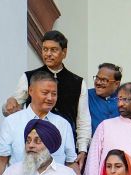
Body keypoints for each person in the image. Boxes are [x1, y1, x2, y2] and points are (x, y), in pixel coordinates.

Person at [7, 30, 90, 162]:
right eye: (45, 49)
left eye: (53, 50)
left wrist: (82, 149)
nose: (48, 54)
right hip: (33, 144)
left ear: (64, 52)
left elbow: (83, 119)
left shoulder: (78, 82)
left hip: (64, 144)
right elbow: (11, 109)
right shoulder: (28, 77)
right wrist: (9, 102)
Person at [0, 71, 76, 175]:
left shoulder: (63, 125)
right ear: (30, 91)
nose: (50, 98)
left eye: (54, 94)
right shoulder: (12, 122)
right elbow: (1, 159)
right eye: (45, 93)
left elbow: (71, 162)